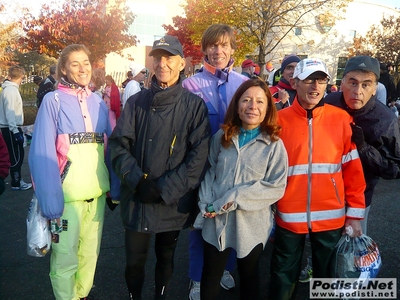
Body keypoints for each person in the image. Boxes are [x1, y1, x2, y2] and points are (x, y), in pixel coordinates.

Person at [108, 35, 211, 300]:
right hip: (138, 198)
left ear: (181, 63)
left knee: (166, 258)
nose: (163, 63)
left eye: (170, 58)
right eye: (158, 57)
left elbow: (197, 157)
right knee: (134, 261)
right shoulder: (136, 103)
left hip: (171, 201)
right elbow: (119, 145)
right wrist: (137, 181)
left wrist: (164, 188)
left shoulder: (194, 106)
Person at [268, 58, 366, 300]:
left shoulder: (341, 119)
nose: (315, 86)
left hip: (331, 216)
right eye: (309, 79)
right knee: (282, 276)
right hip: (288, 216)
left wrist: (354, 215)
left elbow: (352, 170)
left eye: (321, 80)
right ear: (295, 82)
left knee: (327, 278)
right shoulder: (279, 121)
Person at [29, 44, 115, 300]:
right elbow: (41, 154)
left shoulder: (98, 101)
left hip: (96, 196)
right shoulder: (52, 101)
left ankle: (82, 295)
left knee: (90, 254)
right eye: (75, 64)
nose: (82, 68)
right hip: (65, 201)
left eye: (86, 62)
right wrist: (51, 204)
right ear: (64, 69)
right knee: (65, 259)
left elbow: (110, 148)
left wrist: (115, 189)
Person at [198, 78, 288, 300]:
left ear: (268, 108)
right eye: (246, 100)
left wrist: (235, 196)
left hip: (251, 225)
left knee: (249, 279)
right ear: (237, 105)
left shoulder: (274, 144)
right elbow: (210, 171)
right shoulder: (222, 137)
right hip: (216, 219)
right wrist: (204, 201)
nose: (252, 106)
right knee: (210, 278)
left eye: (259, 102)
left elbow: (275, 186)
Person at [182, 23, 248, 300]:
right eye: (212, 45)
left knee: (232, 219)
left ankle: (224, 268)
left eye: (224, 45)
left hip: (235, 168)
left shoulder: (244, 84)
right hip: (201, 169)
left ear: (233, 48)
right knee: (201, 222)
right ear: (204, 49)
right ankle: (197, 277)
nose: (218, 50)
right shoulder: (190, 84)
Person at [325, 55, 400, 235]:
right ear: (342, 83)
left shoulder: (385, 121)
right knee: (321, 245)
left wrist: (363, 148)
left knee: (350, 250)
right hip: (323, 193)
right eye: (353, 83)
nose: (358, 91)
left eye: (365, 84)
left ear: (375, 89)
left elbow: (395, 168)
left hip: (358, 200)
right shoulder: (328, 104)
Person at [0, 66, 32, 191]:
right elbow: (10, 112)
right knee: (16, 156)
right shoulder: (11, 91)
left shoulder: (9, 90)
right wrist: (14, 131)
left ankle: (16, 181)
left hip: (9, 127)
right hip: (10, 128)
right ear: (22, 77)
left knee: (15, 155)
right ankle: (16, 182)